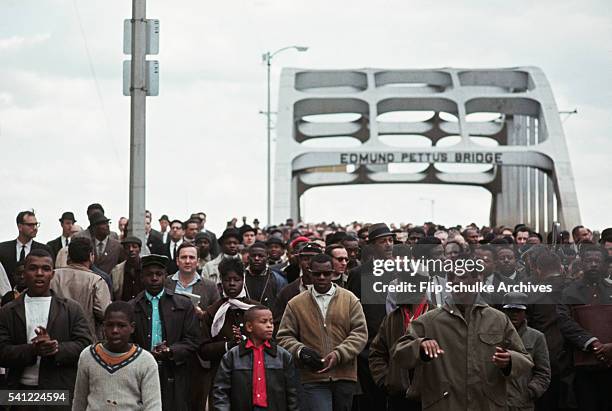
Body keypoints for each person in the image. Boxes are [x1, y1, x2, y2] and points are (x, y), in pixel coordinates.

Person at [393, 259, 533, 411]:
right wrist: (419, 346)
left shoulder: (498, 319)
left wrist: (510, 360)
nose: (456, 281)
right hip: (444, 404)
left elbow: (525, 359)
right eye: (451, 277)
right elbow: (400, 353)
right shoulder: (429, 321)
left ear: (476, 280)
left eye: (462, 277)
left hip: (486, 404)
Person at [0, 249, 92, 407]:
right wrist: (33, 350)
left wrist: (56, 348)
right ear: (24, 273)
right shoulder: (8, 311)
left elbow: (85, 346)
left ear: (53, 274)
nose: (39, 273)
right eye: (33, 268)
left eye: (46, 269)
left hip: (58, 392)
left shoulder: (71, 309)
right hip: (19, 393)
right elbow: (2, 351)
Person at [277, 253, 368, 411]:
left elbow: (360, 333)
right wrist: (301, 351)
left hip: (344, 374)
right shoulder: (296, 304)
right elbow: (284, 336)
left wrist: (339, 354)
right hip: (312, 376)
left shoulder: (349, 299)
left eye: (326, 273)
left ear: (333, 273)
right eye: (317, 273)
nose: (322, 277)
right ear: (309, 273)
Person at [129, 254, 201, 411]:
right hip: (140, 370)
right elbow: (127, 342)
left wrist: (170, 351)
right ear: (142, 277)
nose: (154, 278)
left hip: (174, 371)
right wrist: (145, 354)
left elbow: (193, 340)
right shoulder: (132, 306)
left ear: (166, 277)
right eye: (149, 274)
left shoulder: (183, 304)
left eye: (158, 274)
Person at [71, 302, 162, 411]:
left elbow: (153, 406)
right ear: (103, 327)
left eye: (121, 325)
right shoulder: (88, 356)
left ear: (132, 327)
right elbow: (79, 401)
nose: (115, 331)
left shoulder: (146, 361)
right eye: (110, 325)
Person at [557, 245, 612, 410]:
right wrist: (592, 342)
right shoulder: (569, 292)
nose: (593, 265)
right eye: (589, 261)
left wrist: (610, 348)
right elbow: (564, 321)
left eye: (597, 261)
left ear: (604, 265)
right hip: (582, 367)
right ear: (581, 264)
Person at [213, 305, 299, 411]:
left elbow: (292, 394)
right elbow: (221, 392)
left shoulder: (283, 356)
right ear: (249, 327)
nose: (269, 326)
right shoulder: (232, 356)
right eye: (264, 322)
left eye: (271, 322)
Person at [201, 258, 258, 406]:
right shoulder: (213, 312)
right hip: (221, 379)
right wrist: (228, 346)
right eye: (227, 280)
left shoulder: (256, 310)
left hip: (253, 377)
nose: (232, 283)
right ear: (221, 281)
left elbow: (270, 341)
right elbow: (203, 349)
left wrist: (247, 342)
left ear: (243, 280)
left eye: (236, 279)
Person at [369, 292, 429, 411]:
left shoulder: (436, 316)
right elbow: (376, 352)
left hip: (428, 396)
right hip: (397, 396)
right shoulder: (392, 318)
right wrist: (385, 380)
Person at [51, 237, 112, 340]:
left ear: (69, 256)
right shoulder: (96, 281)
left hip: (55, 336)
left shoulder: (52, 276)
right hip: (85, 337)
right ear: (91, 256)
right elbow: (104, 312)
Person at [502, 292, 551, 411]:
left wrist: (530, 391)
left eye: (518, 310)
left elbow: (543, 372)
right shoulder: (493, 334)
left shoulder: (536, 337)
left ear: (525, 313)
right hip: (494, 402)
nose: (514, 314)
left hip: (522, 403)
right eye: (510, 310)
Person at [0, 210, 51, 287]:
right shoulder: (2, 249)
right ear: (20, 227)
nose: (35, 228)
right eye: (30, 225)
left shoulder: (44, 250)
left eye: (36, 224)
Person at [244, 242, 287, 311]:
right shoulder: (241, 278)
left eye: (261, 256)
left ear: (267, 258)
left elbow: (282, 305)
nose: (257, 258)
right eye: (253, 256)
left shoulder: (278, 279)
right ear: (248, 258)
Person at [111, 236, 144, 301]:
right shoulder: (117, 270)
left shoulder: (146, 268)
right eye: (127, 247)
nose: (131, 249)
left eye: (134, 247)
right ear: (124, 250)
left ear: (139, 249)